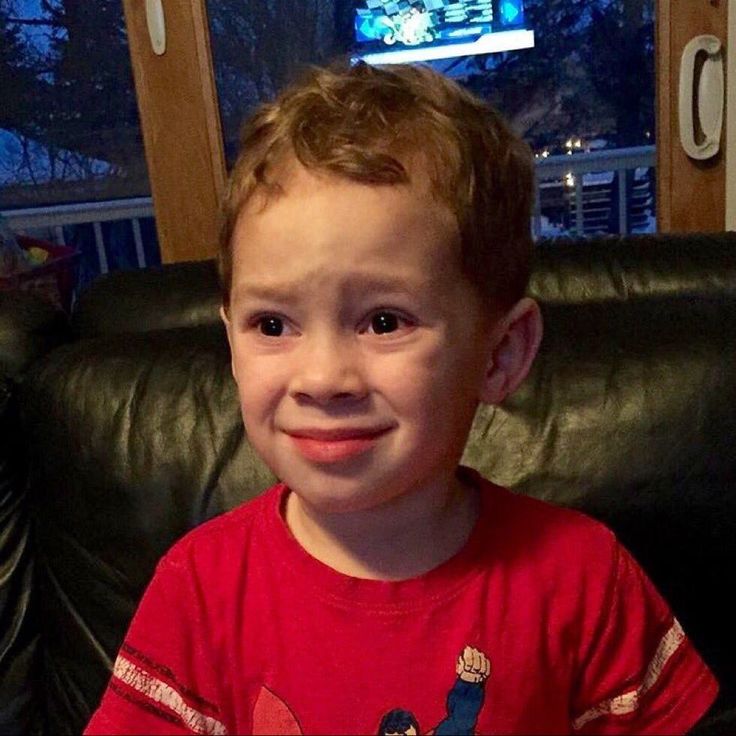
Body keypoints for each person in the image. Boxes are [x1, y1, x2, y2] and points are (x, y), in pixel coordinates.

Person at [85, 61, 718, 735]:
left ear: (499, 354)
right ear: (233, 345)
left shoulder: (585, 579)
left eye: (385, 321)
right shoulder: (198, 590)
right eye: (273, 325)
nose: (323, 377)